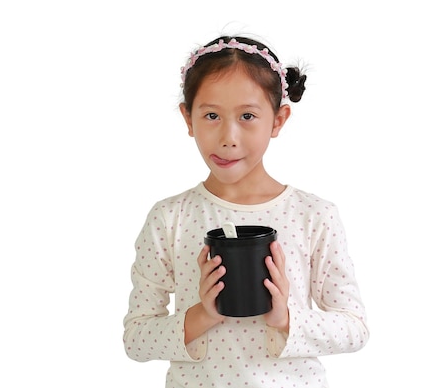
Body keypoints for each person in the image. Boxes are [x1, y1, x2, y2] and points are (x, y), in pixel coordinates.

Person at [123, 34, 369, 388]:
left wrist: (286, 318)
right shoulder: (169, 218)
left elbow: (354, 328)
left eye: (248, 116)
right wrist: (202, 315)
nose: (229, 136)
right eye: (211, 115)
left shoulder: (314, 216)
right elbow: (136, 339)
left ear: (278, 120)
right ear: (187, 118)